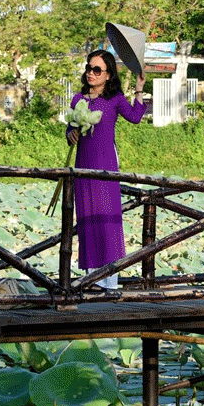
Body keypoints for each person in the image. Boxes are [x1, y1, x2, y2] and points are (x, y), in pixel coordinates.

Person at [66, 49, 146, 290]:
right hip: (83, 165)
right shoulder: (78, 100)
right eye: (89, 68)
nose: (91, 73)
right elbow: (69, 133)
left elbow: (135, 117)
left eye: (97, 70)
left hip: (107, 166)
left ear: (109, 75)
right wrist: (71, 135)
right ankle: (92, 280)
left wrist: (139, 90)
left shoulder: (115, 98)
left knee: (108, 221)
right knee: (87, 218)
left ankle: (110, 282)